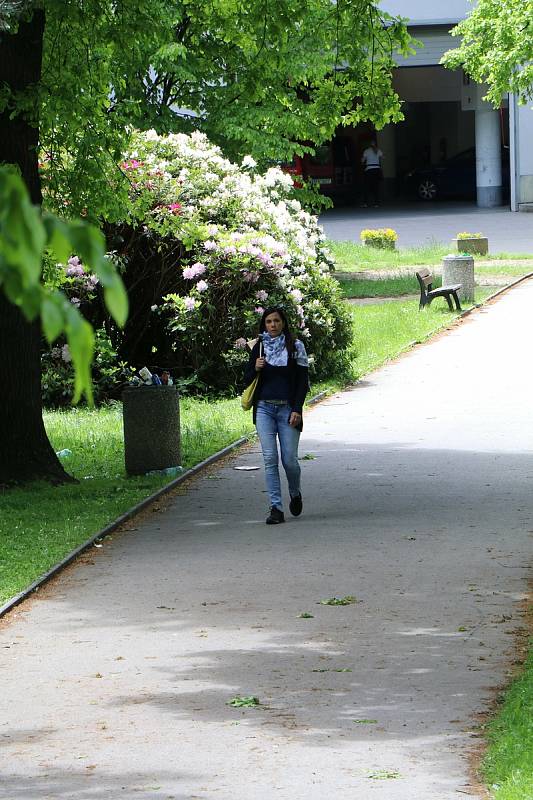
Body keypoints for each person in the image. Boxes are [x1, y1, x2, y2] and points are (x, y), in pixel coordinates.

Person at [243, 307, 309, 525]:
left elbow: (302, 382)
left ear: (283, 323)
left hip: (287, 409)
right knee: (270, 459)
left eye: (276, 321)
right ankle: (276, 508)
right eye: (269, 322)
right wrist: (255, 367)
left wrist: (297, 409)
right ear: (264, 325)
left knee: (289, 460)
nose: (272, 325)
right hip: (264, 409)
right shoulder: (259, 347)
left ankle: (295, 492)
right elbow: (246, 379)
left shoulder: (295, 346)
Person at [361, 139, 383, 207]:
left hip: (369, 170)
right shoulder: (378, 150)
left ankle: (366, 203)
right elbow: (383, 157)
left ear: (369, 144)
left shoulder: (367, 151)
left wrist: (361, 161)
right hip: (377, 169)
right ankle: (376, 203)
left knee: (367, 187)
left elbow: (363, 160)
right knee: (376, 187)